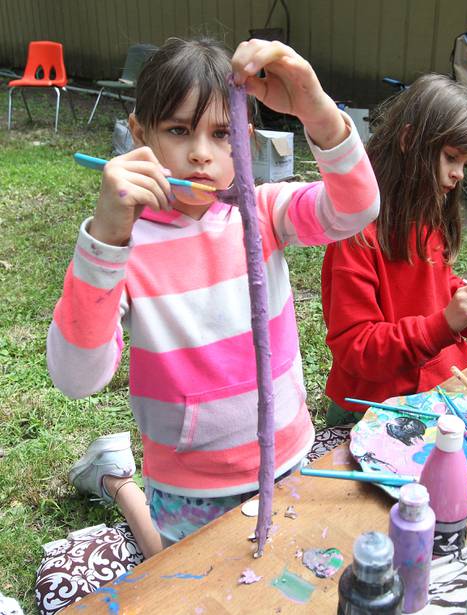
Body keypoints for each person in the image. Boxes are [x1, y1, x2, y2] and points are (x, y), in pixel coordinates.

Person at [47, 36, 379, 550]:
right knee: (184, 579)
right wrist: (107, 239)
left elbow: (356, 208)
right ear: (139, 135)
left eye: (221, 133)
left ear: (242, 138)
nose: (201, 154)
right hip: (188, 486)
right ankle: (119, 482)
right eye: (178, 131)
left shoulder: (265, 212)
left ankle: (115, 477)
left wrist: (315, 108)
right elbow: (75, 378)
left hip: (288, 454)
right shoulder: (124, 247)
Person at [321, 74, 467, 427]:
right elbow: (356, 348)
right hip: (371, 410)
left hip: (435, 388)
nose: (459, 174)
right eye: (451, 158)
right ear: (408, 139)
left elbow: (437, 286)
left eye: (466, 163)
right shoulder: (356, 236)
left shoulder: (427, 217)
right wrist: (443, 325)